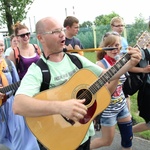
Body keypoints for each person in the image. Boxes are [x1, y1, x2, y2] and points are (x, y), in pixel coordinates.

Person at [12, 17, 141, 150]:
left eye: (61, 30)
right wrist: (61, 107)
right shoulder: (38, 70)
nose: (62, 34)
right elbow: (18, 105)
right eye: (55, 31)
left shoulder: (76, 60)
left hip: (83, 134)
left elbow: (107, 75)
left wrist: (129, 63)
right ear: (41, 38)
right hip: (57, 140)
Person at [90, 32, 133, 150]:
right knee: (106, 141)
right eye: (111, 46)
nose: (115, 49)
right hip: (108, 110)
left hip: (121, 105)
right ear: (105, 47)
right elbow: (106, 93)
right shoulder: (100, 65)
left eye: (117, 45)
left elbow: (130, 70)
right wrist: (117, 74)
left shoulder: (120, 59)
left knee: (128, 138)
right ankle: (81, 148)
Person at [0, 37, 40, 149]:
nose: (1, 48)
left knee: (19, 132)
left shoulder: (8, 64)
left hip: (10, 104)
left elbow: (17, 85)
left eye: (2, 45)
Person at [131, 42, 150, 133]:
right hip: (147, 91)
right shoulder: (142, 51)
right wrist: (143, 70)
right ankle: (127, 133)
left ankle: (127, 133)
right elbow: (128, 67)